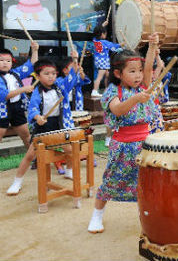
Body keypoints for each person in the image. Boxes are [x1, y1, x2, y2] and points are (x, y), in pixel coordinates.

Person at [88, 33, 159, 234]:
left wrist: (152, 46)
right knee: (111, 181)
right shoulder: (113, 91)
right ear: (118, 73)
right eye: (132, 71)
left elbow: (149, 66)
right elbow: (118, 110)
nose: (138, 75)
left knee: (146, 184)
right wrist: (136, 99)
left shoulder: (143, 86)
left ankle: (147, 217)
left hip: (145, 144)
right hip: (123, 146)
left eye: (139, 71)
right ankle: (97, 215)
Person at [6, 52, 80, 195]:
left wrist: (75, 60)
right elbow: (32, 108)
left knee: (69, 150)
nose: (51, 76)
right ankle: (17, 181)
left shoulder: (59, 86)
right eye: (47, 74)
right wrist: (37, 117)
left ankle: (69, 171)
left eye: (53, 73)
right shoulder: (36, 91)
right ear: (38, 76)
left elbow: (71, 79)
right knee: (30, 156)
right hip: (43, 126)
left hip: (59, 124)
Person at [0, 42, 38, 151]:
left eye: (8, 61)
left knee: (26, 136)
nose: (5, 63)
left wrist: (34, 50)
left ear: (12, 63)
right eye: (1, 60)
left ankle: (35, 159)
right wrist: (24, 89)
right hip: (2, 109)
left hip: (17, 107)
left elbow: (32, 64)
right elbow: (5, 95)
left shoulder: (15, 73)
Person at [91, 25, 121, 97]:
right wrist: (121, 44)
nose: (106, 35)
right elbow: (113, 47)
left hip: (99, 60)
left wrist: (102, 25)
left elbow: (97, 31)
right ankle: (94, 91)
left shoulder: (95, 40)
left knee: (107, 75)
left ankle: (107, 89)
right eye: (105, 33)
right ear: (102, 34)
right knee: (99, 77)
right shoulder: (104, 42)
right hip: (103, 61)